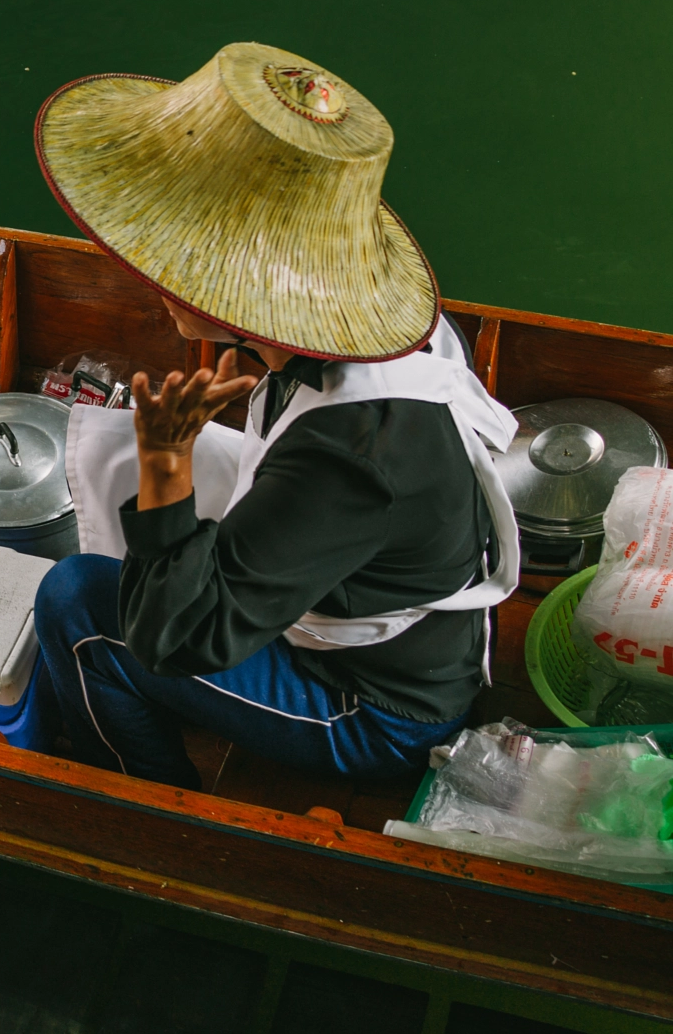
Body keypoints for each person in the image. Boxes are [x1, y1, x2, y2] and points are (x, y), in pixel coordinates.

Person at [27, 42, 519, 789]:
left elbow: (175, 636)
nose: (151, 274)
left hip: (377, 708)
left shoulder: (350, 449)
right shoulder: (375, 335)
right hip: (389, 610)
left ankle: (139, 799)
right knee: (126, 483)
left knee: (78, 605)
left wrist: (167, 459)